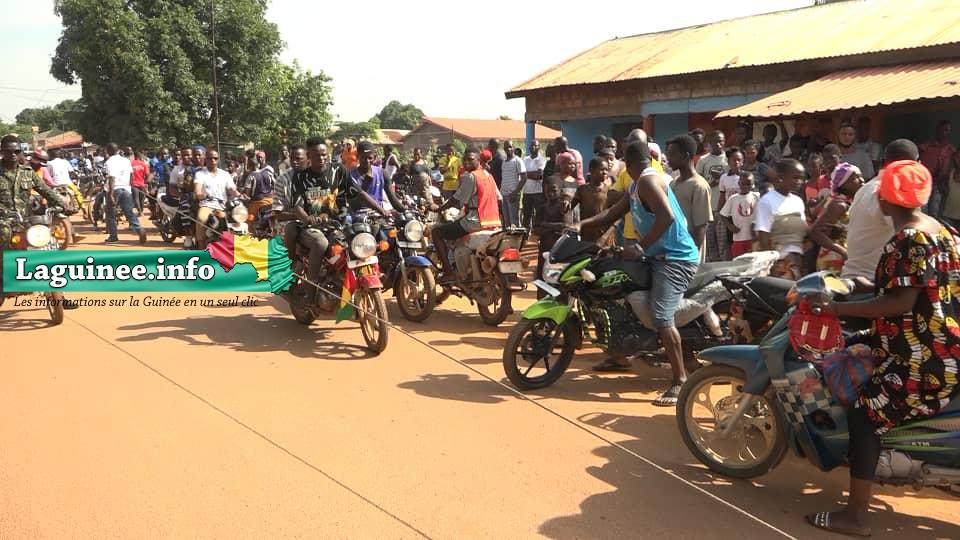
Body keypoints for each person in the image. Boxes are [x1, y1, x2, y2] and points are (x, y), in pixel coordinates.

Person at [808, 160, 960, 538]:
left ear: (885, 201)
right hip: (938, 340)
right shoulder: (941, 230)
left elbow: (899, 302)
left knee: (865, 414)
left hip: (921, 355)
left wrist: (836, 309)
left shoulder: (908, 239)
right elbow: (912, 289)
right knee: (852, 346)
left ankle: (856, 516)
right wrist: (857, 285)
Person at [579, 141, 700, 406]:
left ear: (628, 161)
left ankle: (679, 381)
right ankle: (620, 354)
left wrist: (640, 247)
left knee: (661, 316)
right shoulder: (635, 186)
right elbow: (612, 213)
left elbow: (666, 216)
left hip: (675, 260)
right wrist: (580, 225)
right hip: (656, 257)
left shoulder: (648, 181)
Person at [0, 135, 77, 308]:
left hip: (25, 219)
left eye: (17, 151)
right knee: (4, 233)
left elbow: (45, 189)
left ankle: (59, 294)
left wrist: (62, 204)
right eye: (9, 151)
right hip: (3, 220)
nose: (13, 154)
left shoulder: (27, 172)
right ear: (2, 152)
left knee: (48, 245)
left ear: (21, 152)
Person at [842, 139, 918, 283]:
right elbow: (912, 238)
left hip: (854, 278)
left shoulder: (865, 189)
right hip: (872, 284)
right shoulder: (892, 193)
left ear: (883, 161)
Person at [277, 140, 342, 290]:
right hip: (300, 225)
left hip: (325, 223)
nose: (294, 162)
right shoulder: (290, 179)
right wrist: (307, 217)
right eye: (292, 158)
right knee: (320, 242)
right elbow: (290, 209)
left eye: (298, 159)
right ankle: (311, 284)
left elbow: (336, 202)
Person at [431, 147, 502, 282]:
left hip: (474, 222)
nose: (466, 162)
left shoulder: (471, 177)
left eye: (470, 159)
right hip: (493, 222)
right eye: (464, 160)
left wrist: (439, 208)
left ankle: (448, 272)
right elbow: (499, 199)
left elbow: (456, 200)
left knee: (436, 232)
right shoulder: (489, 176)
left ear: (479, 160)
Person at [754, 159, 807, 279]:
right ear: (781, 177)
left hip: (798, 262)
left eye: (801, 178)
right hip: (779, 264)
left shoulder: (798, 201)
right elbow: (763, 235)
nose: (799, 181)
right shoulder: (767, 201)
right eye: (795, 177)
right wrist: (771, 266)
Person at [809, 163, 864, 272]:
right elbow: (815, 232)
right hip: (834, 258)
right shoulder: (839, 204)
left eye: (861, 176)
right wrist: (843, 252)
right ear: (843, 184)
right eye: (855, 178)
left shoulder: (852, 203)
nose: (862, 180)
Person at [667, 134, 712, 260]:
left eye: (672, 154)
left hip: (688, 255)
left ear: (685, 156)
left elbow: (701, 225)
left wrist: (692, 253)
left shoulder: (699, 186)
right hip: (674, 251)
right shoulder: (673, 183)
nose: (668, 158)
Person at [193, 148, 240, 250]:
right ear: (206, 159)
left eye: (215, 158)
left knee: (240, 221)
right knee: (201, 219)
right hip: (207, 204)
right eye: (210, 158)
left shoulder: (225, 174)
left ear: (218, 159)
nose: (213, 160)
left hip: (223, 206)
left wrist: (239, 195)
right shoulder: (200, 174)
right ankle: (201, 248)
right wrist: (200, 194)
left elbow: (232, 189)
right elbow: (198, 189)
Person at [103, 143, 146, 245]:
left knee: (110, 213)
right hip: (126, 189)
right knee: (129, 212)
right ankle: (139, 228)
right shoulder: (126, 160)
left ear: (109, 151)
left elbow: (112, 178)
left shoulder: (109, 162)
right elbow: (131, 175)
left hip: (115, 189)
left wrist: (111, 194)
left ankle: (113, 236)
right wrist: (130, 186)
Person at [533, 177, 569, 295]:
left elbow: (565, 226)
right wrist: (551, 228)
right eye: (548, 191)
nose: (551, 194)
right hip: (544, 247)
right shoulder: (542, 208)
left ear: (560, 191)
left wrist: (545, 225)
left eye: (554, 190)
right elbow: (536, 229)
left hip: (560, 249)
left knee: (559, 278)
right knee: (542, 277)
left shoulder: (564, 206)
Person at [347, 140, 404, 213]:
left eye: (370, 158)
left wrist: (405, 210)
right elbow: (354, 204)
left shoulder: (382, 173)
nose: (367, 161)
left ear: (374, 157)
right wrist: (365, 185)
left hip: (379, 215)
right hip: (359, 215)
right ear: (357, 156)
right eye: (363, 157)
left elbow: (393, 199)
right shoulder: (351, 176)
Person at [919, 120, 956, 217]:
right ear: (937, 130)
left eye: (946, 130)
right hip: (925, 181)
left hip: (940, 183)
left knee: (935, 211)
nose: (944, 132)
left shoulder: (951, 150)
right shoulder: (926, 146)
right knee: (923, 210)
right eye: (942, 129)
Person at [719, 173, 759, 258]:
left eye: (748, 184)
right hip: (739, 237)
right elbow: (722, 214)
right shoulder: (733, 199)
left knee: (752, 261)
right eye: (743, 184)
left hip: (753, 238)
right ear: (739, 183)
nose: (745, 186)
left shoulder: (756, 196)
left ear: (753, 185)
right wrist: (730, 226)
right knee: (739, 261)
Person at [570, 158, 610, 242]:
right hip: (586, 234)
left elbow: (617, 215)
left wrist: (606, 235)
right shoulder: (582, 189)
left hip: (603, 236)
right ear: (591, 170)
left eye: (607, 170)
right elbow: (570, 207)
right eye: (602, 169)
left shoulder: (609, 190)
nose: (605, 172)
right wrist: (566, 202)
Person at [521, 140, 547, 230]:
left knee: (539, 216)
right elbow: (521, 174)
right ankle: (526, 235)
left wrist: (526, 174)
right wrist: (531, 174)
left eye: (535, 145)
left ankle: (536, 235)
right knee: (526, 217)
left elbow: (538, 175)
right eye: (532, 145)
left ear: (539, 147)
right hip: (526, 192)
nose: (533, 147)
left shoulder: (542, 160)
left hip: (538, 192)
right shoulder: (525, 159)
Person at [499, 141, 526, 227]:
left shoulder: (518, 161)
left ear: (513, 148)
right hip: (504, 195)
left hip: (512, 195)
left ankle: (516, 236)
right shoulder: (504, 162)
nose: (508, 149)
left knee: (513, 222)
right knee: (506, 221)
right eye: (506, 147)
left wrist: (515, 192)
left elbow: (524, 178)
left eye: (510, 147)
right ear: (504, 149)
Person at [130, 149, 151, 215]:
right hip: (142, 183)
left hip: (134, 183)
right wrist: (145, 182)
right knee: (141, 198)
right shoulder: (143, 164)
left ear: (134, 156)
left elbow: (129, 174)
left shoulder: (131, 163)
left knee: (136, 198)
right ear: (140, 156)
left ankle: (140, 211)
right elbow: (147, 174)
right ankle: (141, 210)